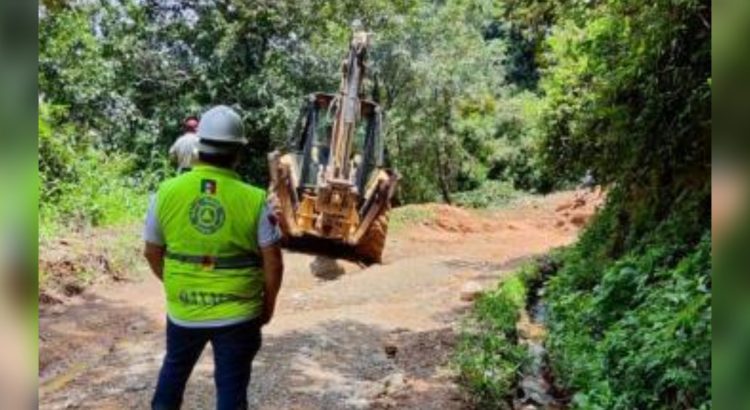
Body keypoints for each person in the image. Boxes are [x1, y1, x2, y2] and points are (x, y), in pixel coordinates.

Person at [143, 105, 284, 410]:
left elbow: (151, 251)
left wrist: (175, 281)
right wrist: (267, 306)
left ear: (198, 144)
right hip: (239, 313)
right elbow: (273, 261)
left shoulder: (165, 192)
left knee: (174, 372)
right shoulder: (255, 199)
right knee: (232, 390)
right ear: (238, 152)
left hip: (184, 309)